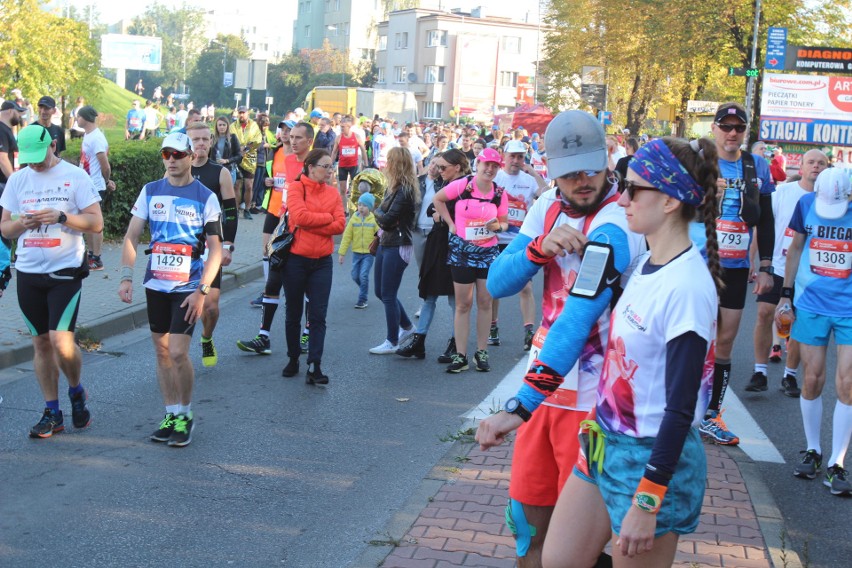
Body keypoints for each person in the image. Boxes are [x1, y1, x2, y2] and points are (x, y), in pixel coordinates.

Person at [481, 136, 721, 567]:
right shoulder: (649, 264)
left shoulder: (686, 286)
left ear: (668, 201)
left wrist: (648, 501)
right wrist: (520, 410)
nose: (621, 197)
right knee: (555, 558)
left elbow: (681, 409)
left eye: (633, 188)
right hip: (603, 442)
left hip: (650, 459)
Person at [476, 109, 645, 567]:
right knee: (528, 538)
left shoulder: (619, 219)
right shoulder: (546, 204)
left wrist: (518, 406)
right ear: (551, 171)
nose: (583, 180)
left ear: (608, 160)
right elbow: (496, 282)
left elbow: (579, 317)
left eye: (592, 167)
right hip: (546, 395)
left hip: (592, 405)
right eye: (570, 173)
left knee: (575, 554)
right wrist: (538, 247)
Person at [117, 132, 223, 448]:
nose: (172, 160)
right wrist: (125, 276)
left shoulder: (206, 196)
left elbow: (215, 251)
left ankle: (186, 414)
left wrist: (203, 290)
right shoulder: (150, 192)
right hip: (156, 284)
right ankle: (171, 412)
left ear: (191, 156)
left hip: (188, 286)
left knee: (177, 352)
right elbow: (131, 236)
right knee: (162, 351)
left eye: (178, 154)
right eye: (167, 155)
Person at [0, 124, 103, 438]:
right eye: (27, 157)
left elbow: (96, 223)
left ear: (53, 145)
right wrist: (22, 223)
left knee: (61, 341)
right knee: (41, 343)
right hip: (29, 273)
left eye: (39, 156)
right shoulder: (18, 180)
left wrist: (62, 217)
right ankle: (52, 412)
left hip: (65, 273)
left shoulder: (75, 176)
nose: (34, 163)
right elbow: (4, 229)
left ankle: (75, 389)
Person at [698, 102, 775, 446]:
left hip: (737, 265)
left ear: (745, 132)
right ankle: (679, 407)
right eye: (725, 127)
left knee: (725, 341)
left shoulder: (756, 165)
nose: (732, 134)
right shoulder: (700, 159)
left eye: (738, 128)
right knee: (691, 337)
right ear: (714, 128)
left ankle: (711, 414)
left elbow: (767, 219)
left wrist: (767, 266)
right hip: (698, 263)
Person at [780, 168, 852, 496]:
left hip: (848, 306)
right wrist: (786, 292)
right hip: (811, 302)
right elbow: (795, 247)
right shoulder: (807, 202)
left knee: (847, 385)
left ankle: (837, 462)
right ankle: (813, 450)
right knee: (812, 379)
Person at [749, 149, 828, 396]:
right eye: (811, 162)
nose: (816, 166)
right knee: (764, 313)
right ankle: (760, 372)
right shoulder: (782, 193)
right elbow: (761, 227)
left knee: (799, 323)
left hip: (808, 272)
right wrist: (753, 260)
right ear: (801, 168)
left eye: (821, 163)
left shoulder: (831, 202)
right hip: (778, 265)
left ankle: (789, 376)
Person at [432, 148, 508, 373]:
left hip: (487, 254)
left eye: (495, 166)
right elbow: (438, 199)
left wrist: (498, 227)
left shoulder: (499, 192)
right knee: (463, 304)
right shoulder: (463, 185)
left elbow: (504, 223)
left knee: (485, 302)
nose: (490, 169)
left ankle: (481, 352)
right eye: (487, 164)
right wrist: (452, 224)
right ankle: (461, 355)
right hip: (462, 252)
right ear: (478, 164)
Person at [279, 149, 345, 384]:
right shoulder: (296, 187)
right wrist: (326, 218)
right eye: (325, 166)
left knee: (318, 315)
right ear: (310, 167)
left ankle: (315, 365)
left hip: (322, 262)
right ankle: (293, 357)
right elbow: (299, 217)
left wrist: (318, 220)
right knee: (293, 312)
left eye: (331, 167)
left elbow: (340, 225)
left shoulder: (333, 193)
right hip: (296, 260)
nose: (329, 171)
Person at [186, 121, 239, 367]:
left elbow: (231, 211)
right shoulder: (175, 170)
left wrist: (227, 244)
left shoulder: (220, 173)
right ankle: (179, 348)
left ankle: (206, 338)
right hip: (184, 247)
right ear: (188, 142)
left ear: (211, 141)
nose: (201, 144)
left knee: (211, 307)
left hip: (211, 246)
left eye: (205, 139)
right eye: (195, 140)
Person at [490, 139, 548, 350]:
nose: (516, 161)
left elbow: (546, 194)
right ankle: (493, 327)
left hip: (520, 240)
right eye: (512, 156)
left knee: (525, 287)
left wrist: (533, 173)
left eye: (520, 157)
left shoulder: (529, 179)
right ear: (504, 156)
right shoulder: (496, 177)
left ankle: (528, 333)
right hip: (495, 240)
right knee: (494, 287)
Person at [396, 155, 456, 360]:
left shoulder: (457, 186)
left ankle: (456, 342)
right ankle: (419, 340)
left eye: (442, 167)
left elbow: (449, 212)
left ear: (455, 168)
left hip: (451, 243)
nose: (438, 170)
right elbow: (428, 208)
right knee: (428, 291)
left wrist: (444, 217)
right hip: (433, 242)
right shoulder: (426, 182)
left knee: (454, 297)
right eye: (435, 165)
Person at [368, 147, 420, 354]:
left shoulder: (405, 190)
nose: (386, 165)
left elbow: (387, 218)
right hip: (386, 241)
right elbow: (386, 216)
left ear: (397, 164)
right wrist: (381, 212)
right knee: (380, 292)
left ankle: (392, 341)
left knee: (388, 294)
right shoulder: (395, 187)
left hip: (398, 244)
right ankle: (407, 327)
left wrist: (376, 210)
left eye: (389, 161)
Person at [76, 105, 115, 272]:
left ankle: (97, 258)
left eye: (78, 117)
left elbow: (104, 165)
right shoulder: (89, 135)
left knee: (95, 222)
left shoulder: (96, 138)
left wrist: (106, 181)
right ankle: (91, 255)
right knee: (87, 222)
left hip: (94, 186)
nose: (76, 120)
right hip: (86, 184)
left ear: (85, 118)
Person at [338, 193, 378, 308]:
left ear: (370, 208)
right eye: (360, 204)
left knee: (363, 275)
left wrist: (381, 250)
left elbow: (380, 236)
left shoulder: (374, 220)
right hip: (356, 253)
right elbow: (347, 236)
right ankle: (364, 289)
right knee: (355, 276)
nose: (361, 207)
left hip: (368, 254)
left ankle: (362, 299)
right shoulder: (353, 219)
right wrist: (342, 253)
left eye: (364, 205)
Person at [331, 115, 370, 213]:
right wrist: (330, 164)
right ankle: (345, 210)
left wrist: (366, 164)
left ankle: (357, 207)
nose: (341, 129)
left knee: (356, 189)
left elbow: (363, 150)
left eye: (343, 127)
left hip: (354, 166)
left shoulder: (356, 137)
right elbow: (334, 152)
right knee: (343, 190)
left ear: (349, 126)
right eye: (340, 127)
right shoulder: (338, 138)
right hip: (342, 166)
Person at [230, 106, 262, 219]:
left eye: (243, 113)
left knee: (249, 186)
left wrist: (246, 148)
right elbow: (231, 139)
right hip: (237, 157)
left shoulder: (254, 125)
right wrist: (239, 149)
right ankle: (237, 209)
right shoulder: (233, 126)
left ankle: (247, 209)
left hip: (250, 159)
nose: (241, 115)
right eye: (240, 113)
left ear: (248, 113)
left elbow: (258, 140)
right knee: (237, 185)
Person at [211, 116, 242, 184]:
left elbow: (239, 155)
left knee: (227, 193)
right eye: (220, 125)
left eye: (224, 125)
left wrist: (227, 160)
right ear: (216, 126)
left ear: (227, 126)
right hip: (215, 169)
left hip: (229, 169)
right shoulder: (212, 138)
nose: (222, 127)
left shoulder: (232, 137)